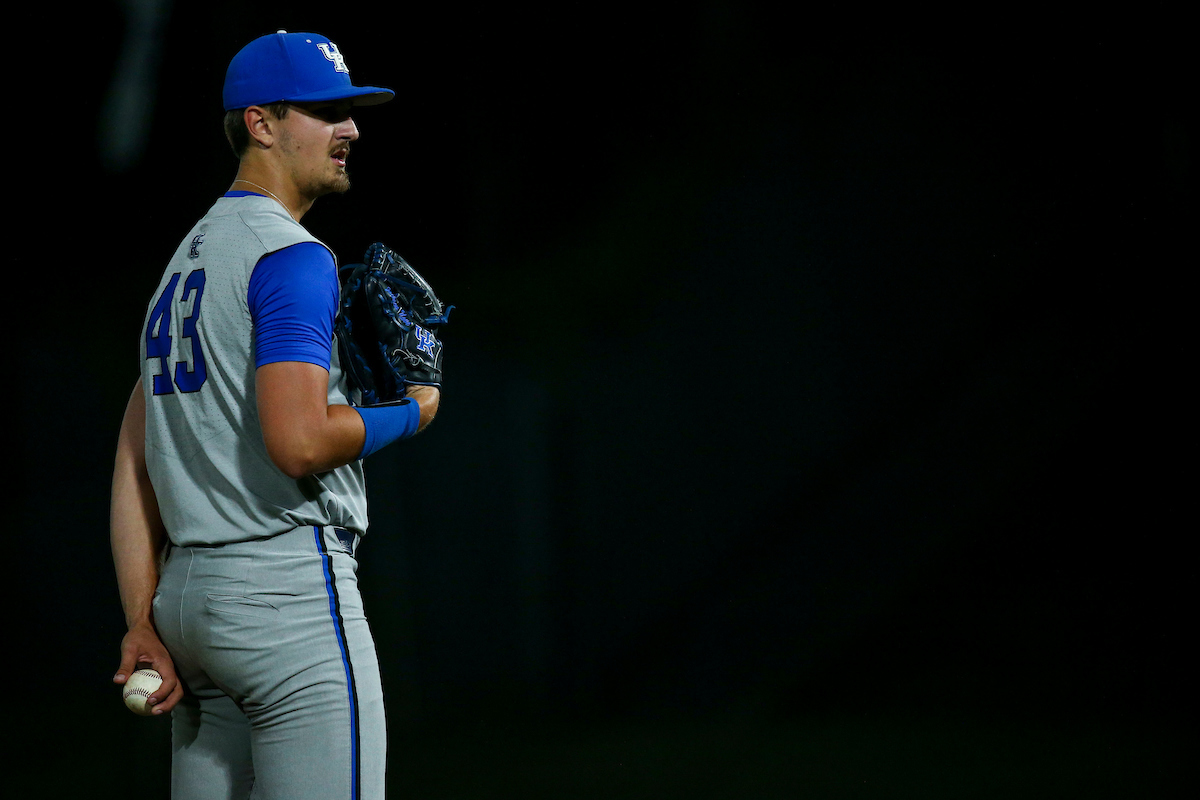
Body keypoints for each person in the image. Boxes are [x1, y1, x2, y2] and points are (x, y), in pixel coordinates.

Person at [109, 30, 439, 800]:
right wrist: (412, 412)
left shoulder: (183, 266)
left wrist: (141, 615)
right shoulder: (290, 255)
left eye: (350, 112)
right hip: (283, 599)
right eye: (326, 112)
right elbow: (298, 443)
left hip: (190, 609)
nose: (350, 129)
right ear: (260, 123)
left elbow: (133, 463)